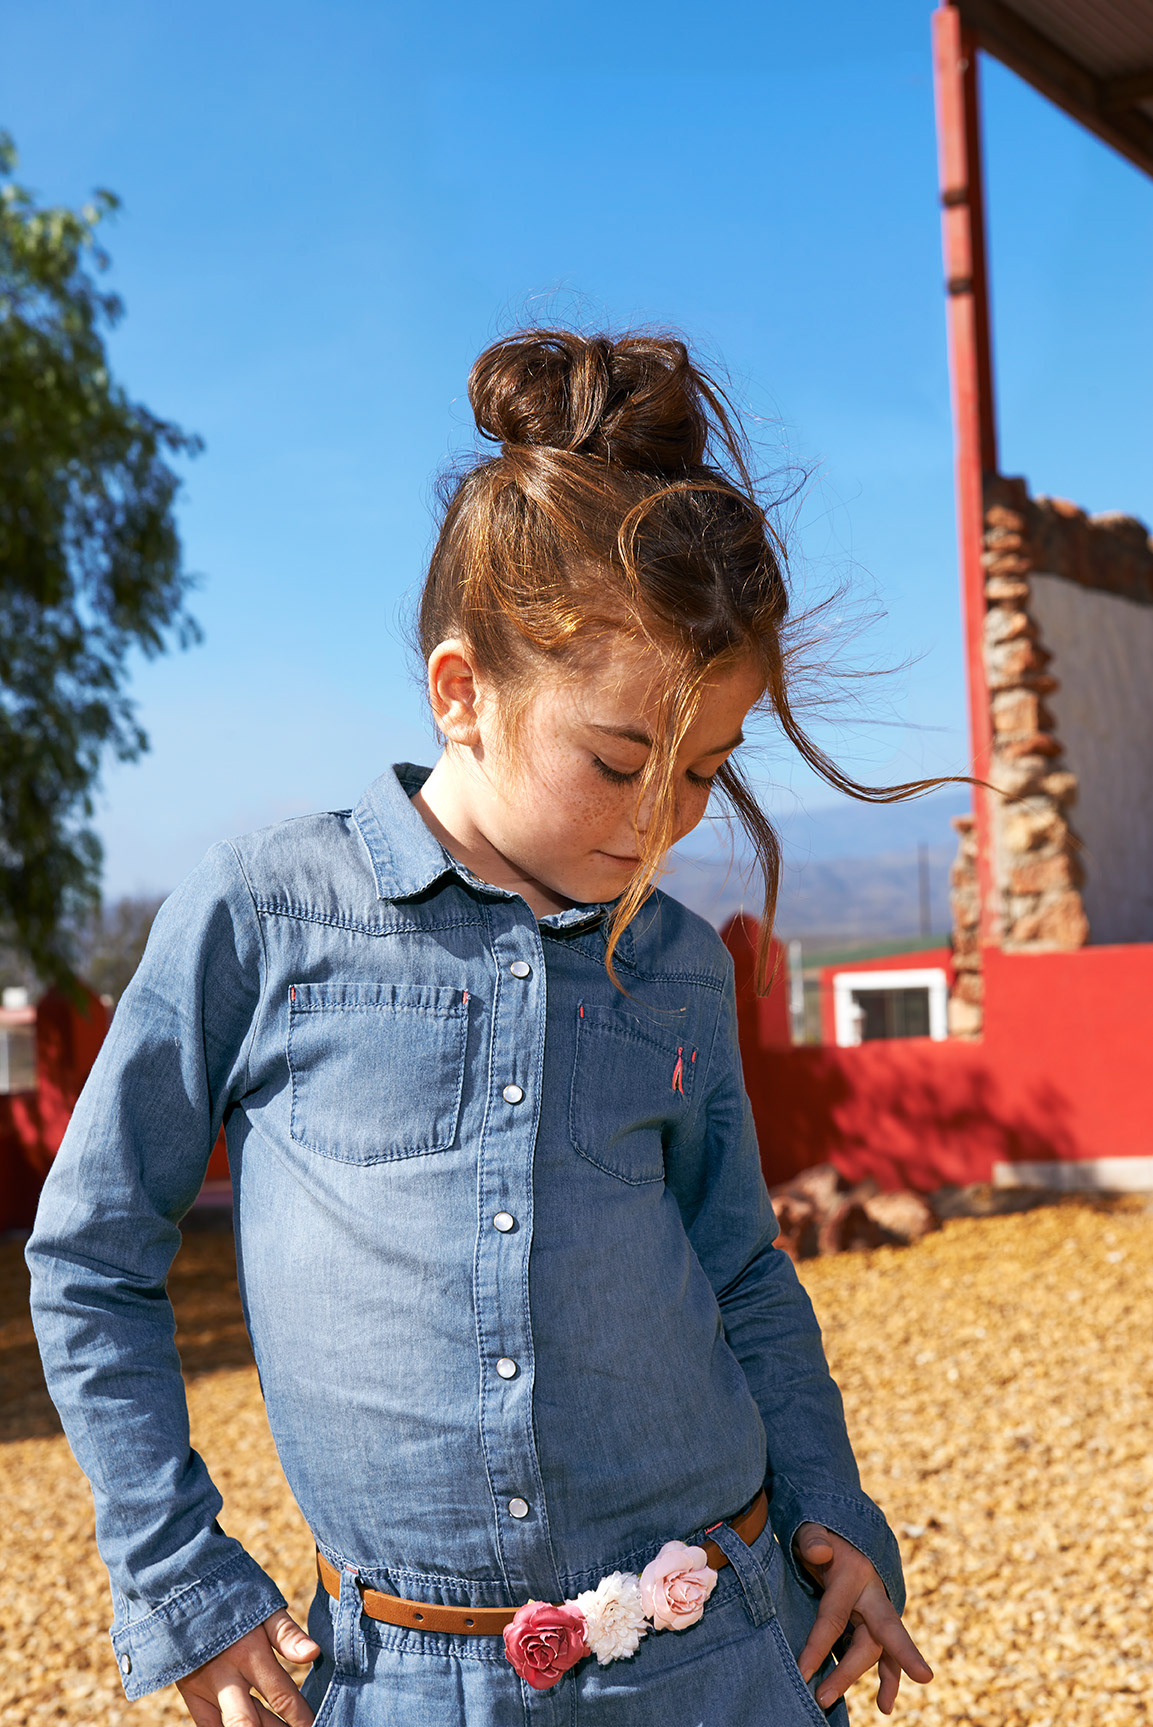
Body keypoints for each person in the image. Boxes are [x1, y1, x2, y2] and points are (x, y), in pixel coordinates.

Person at [28, 329, 935, 1727]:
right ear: (461, 693)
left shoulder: (677, 966)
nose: (663, 820)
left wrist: (833, 1507)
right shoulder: (264, 915)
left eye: (705, 771)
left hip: (725, 1651)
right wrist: (179, 1575)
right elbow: (93, 1258)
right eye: (621, 762)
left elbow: (743, 1272)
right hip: (399, 1683)